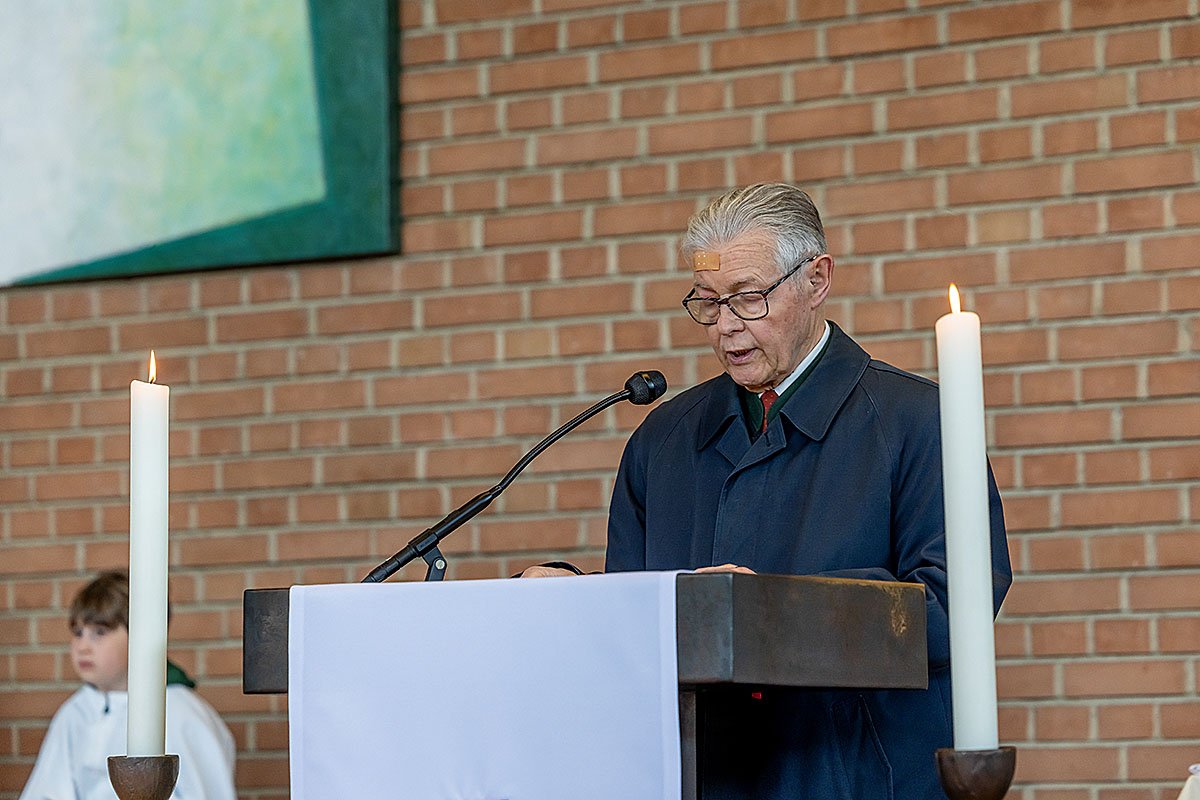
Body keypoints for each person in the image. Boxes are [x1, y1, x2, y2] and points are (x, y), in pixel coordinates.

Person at [526, 183, 1011, 799]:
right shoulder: (664, 439)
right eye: (707, 302)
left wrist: (767, 611)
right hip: (703, 777)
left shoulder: (916, 421)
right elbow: (640, 633)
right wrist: (574, 599)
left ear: (817, 279)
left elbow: (951, 609)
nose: (726, 327)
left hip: (855, 776)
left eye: (748, 298)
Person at [19, 570, 237, 800]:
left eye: (99, 632)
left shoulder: (180, 712)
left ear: (141, 636)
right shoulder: (75, 712)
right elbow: (45, 792)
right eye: (78, 633)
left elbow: (208, 793)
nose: (82, 646)